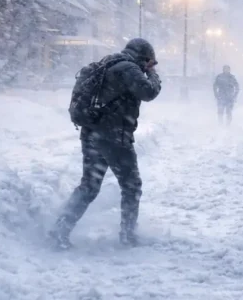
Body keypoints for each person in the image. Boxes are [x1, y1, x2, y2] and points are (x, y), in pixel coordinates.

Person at [49, 38, 162, 249]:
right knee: (131, 186)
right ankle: (128, 236)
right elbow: (148, 92)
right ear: (144, 57)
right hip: (114, 137)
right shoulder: (128, 67)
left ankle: (59, 230)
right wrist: (152, 73)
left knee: (89, 186)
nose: (150, 66)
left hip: (92, 133)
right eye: (150, 62)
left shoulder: (107, 63)